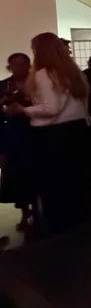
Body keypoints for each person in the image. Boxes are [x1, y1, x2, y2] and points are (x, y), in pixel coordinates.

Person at [6, 33, 91, 236]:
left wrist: (24, 109)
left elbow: (51, 107)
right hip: (77, 130)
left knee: (55, 187)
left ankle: (57, 232)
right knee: (75, 183)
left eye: (34, 49)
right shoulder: (73, 72)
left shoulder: (44, 74)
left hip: (53, 135)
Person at [0, 53, 33, 233]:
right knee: (17, 174)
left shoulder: (36, 83)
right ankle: (24, 211)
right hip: (12, 133)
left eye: (22, 64)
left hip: (35, 131)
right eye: (14, 64)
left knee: (36, 171)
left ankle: (38, 207)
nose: (18, 68)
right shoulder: (4, 85)